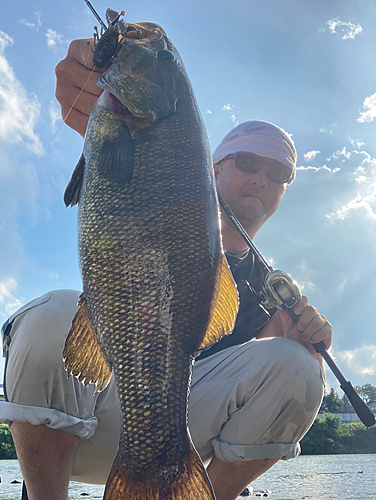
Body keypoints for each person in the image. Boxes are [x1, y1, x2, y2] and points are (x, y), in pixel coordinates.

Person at [0, 38, 332, 500]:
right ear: (211, 167)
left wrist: (289, 344)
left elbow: (240, 380)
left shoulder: (269, 291)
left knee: (298, 366)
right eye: (249, 161)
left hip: (180, 441)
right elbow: (123, 156)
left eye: (279, 174)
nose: (262, 178)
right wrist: (91, 98)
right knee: (52, 313)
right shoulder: (141, 143)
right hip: (86, 416)